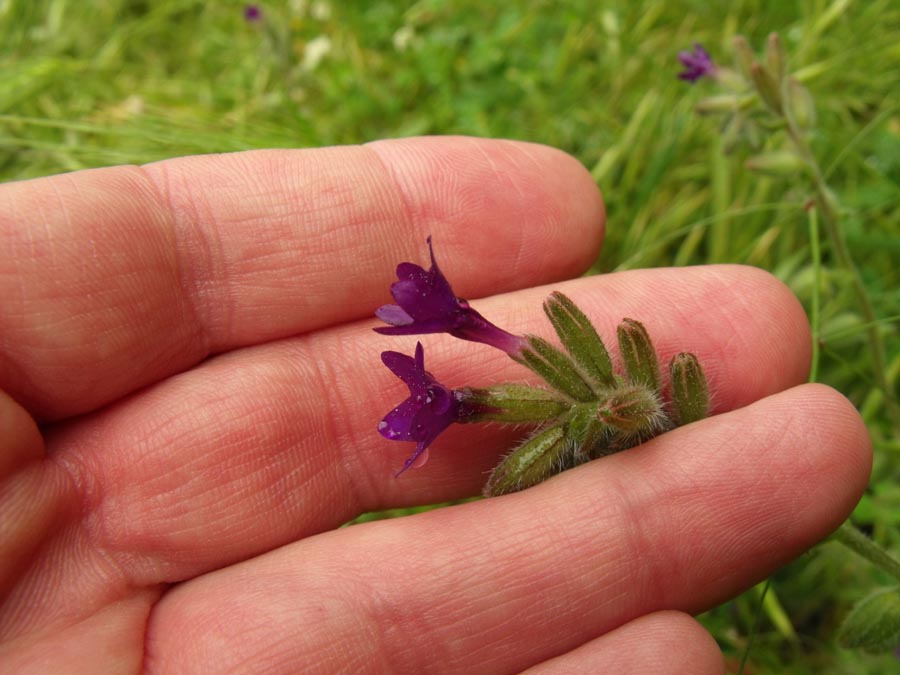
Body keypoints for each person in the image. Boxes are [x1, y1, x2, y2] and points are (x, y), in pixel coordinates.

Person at [0, 137, 870, 673]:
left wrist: (458, 376)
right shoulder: (495, 377)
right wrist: (456, 400)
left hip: (498, 356)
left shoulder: (495, 351)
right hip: (496, 368)